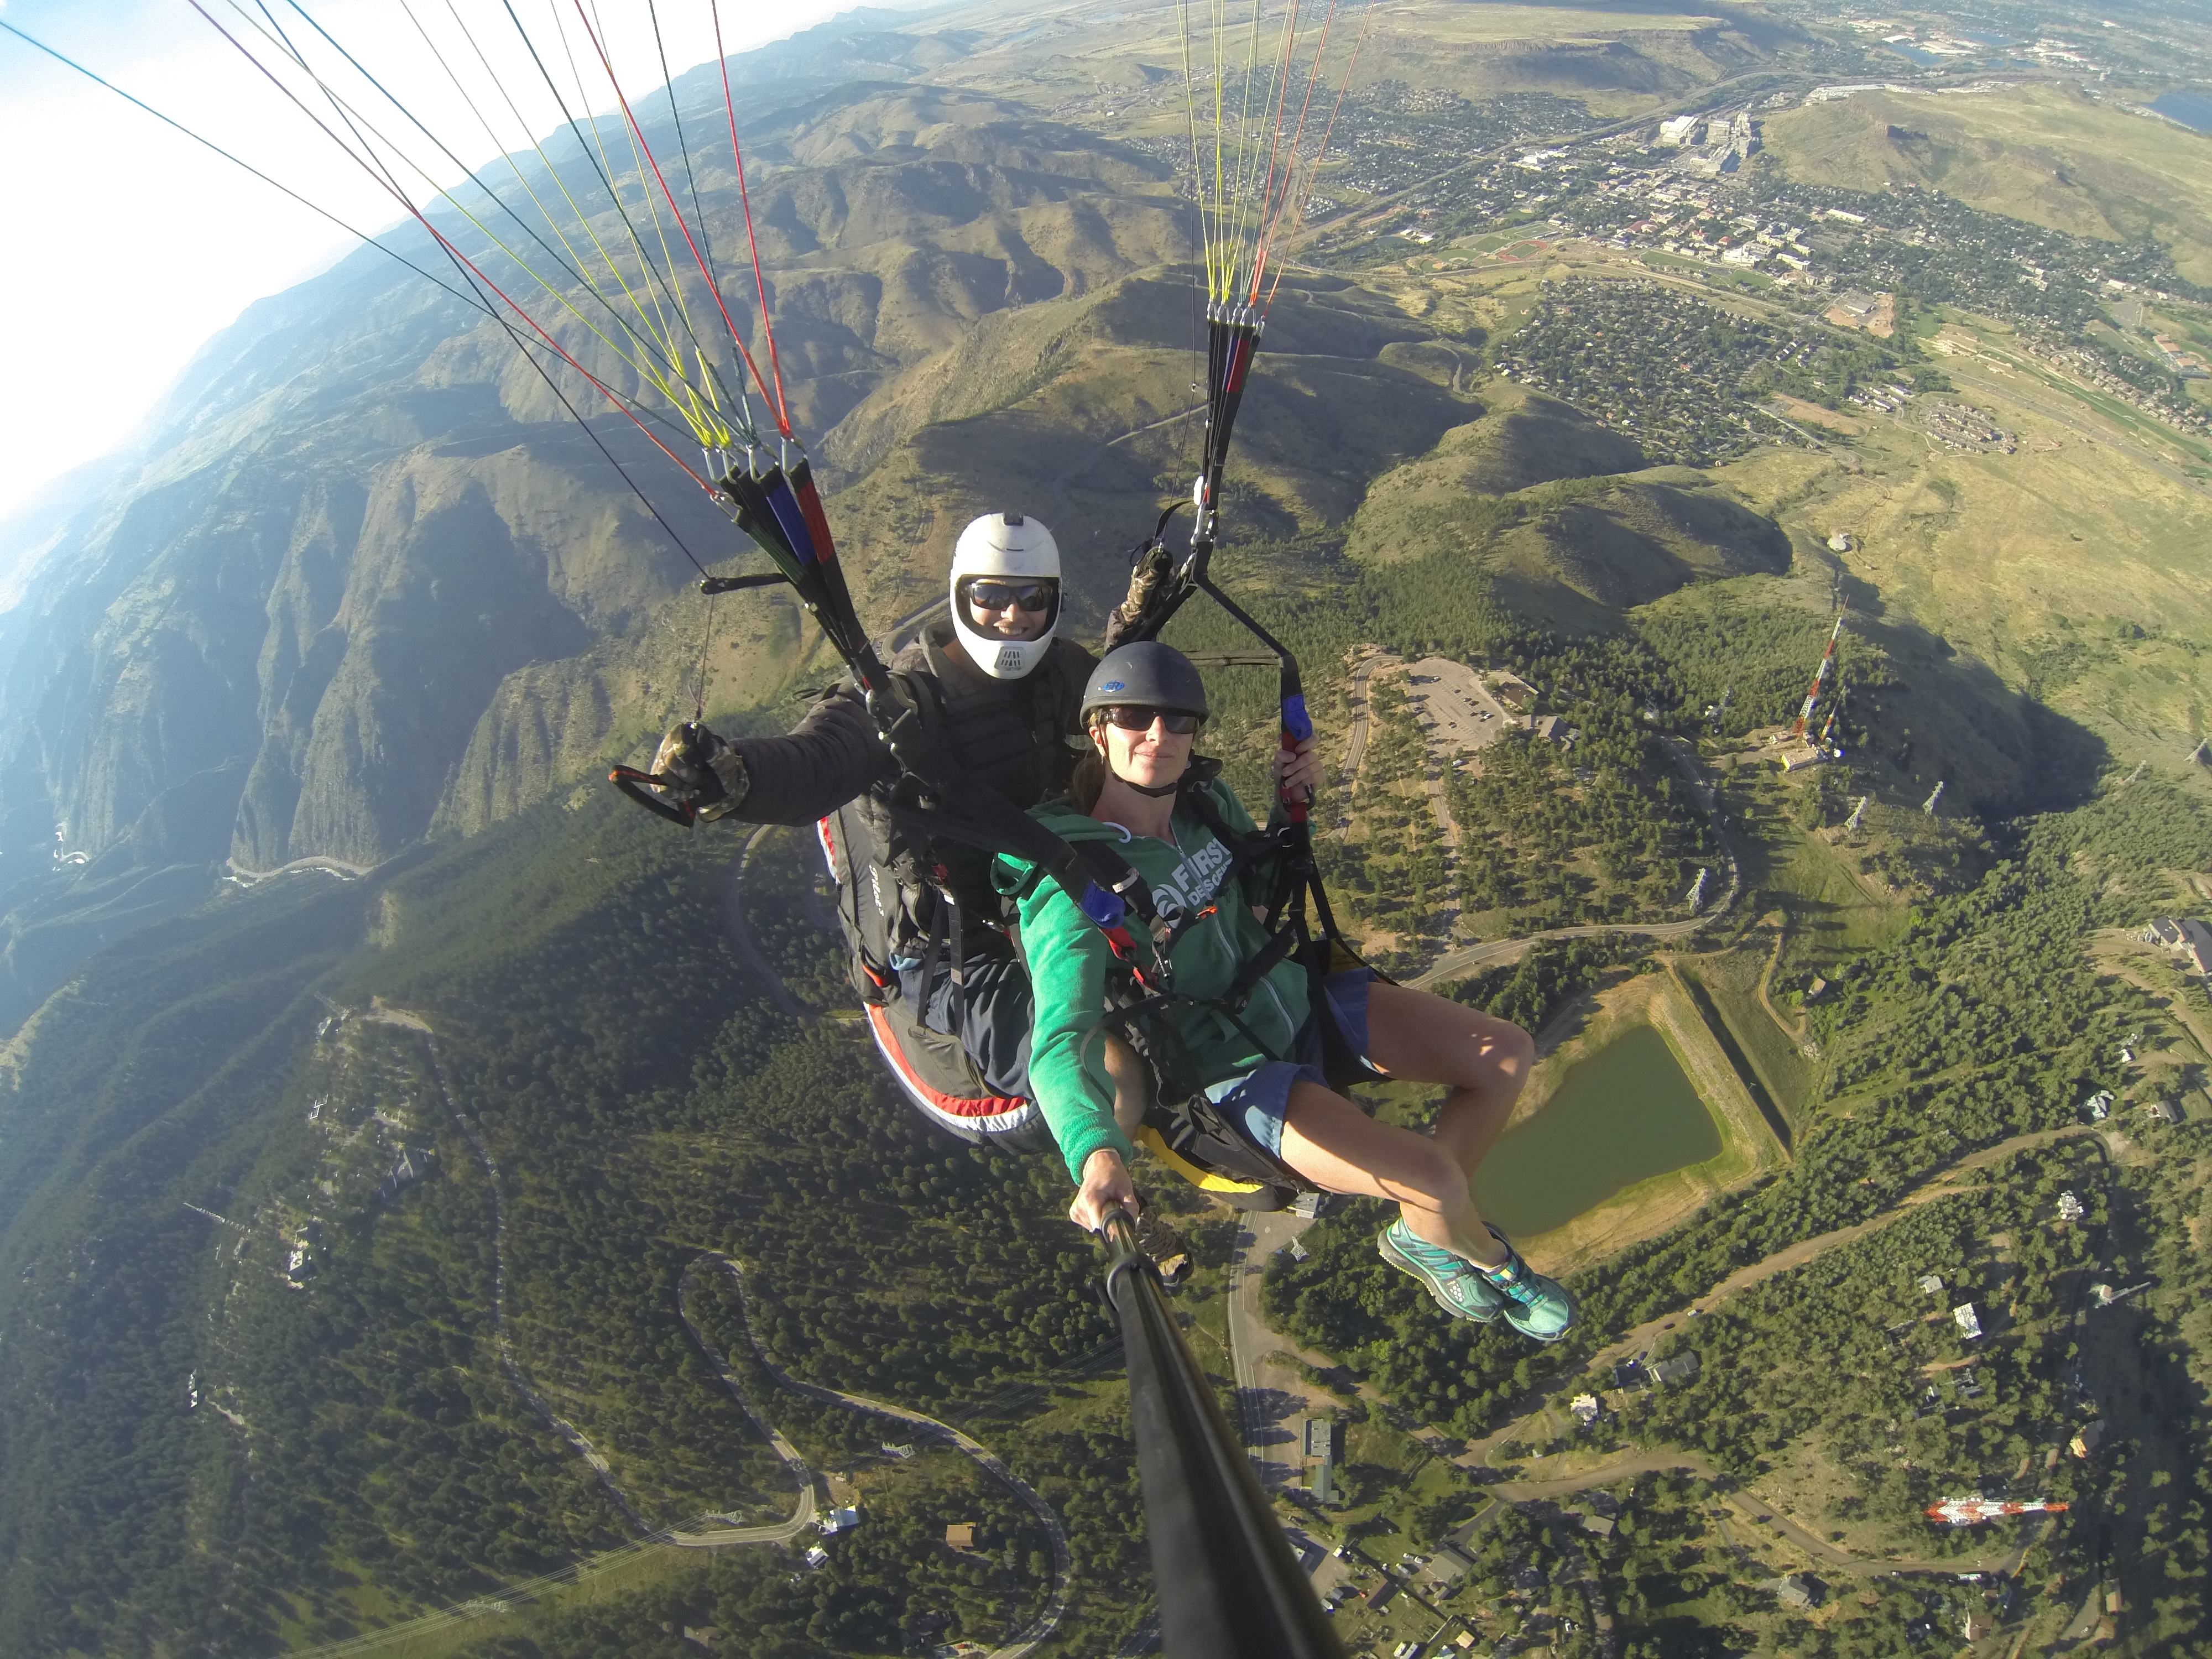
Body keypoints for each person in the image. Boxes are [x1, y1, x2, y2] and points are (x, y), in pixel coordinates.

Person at [997, 641, 1577, 1343]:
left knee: (1506, 1055)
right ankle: (1484, 1254)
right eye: (1133, 718)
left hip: (1296, 1000)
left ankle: (1429, 1237)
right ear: (1099, 730)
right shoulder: (1075, 877)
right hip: (1231, 1076)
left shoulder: (1204, 806)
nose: (1158, 736)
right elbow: (1061, 1039)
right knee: (1434, 1181)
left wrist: (1288, 810)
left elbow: (1262, 898)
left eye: (1178, 721)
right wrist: (1096, 1154)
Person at [648, 512, 1105, 1148]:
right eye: (990, 597)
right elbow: (821, 760)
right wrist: (735, 776)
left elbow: (1122, 702)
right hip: (953, 948)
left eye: (1031, 598)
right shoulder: (902, 698)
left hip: (1040, 891)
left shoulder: (1062, 670)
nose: (1011, 617)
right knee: (1094, 1058)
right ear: (960, 595)